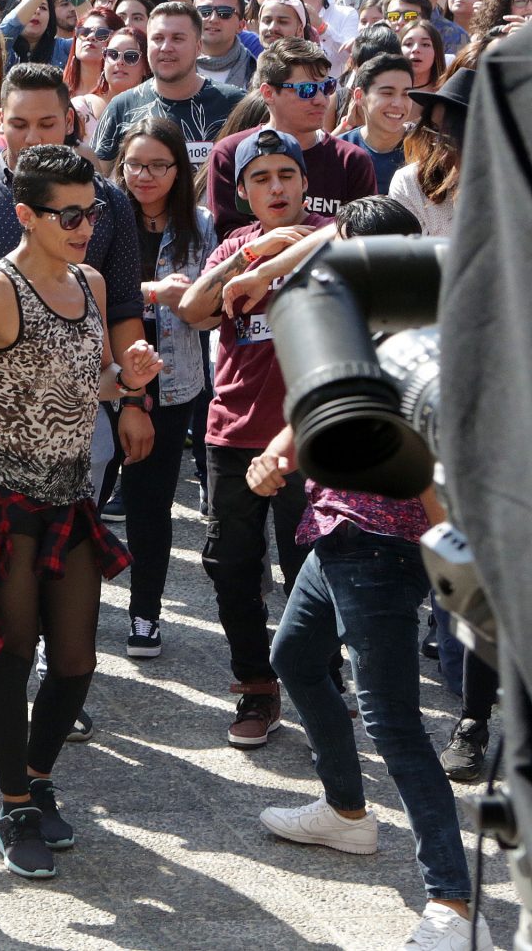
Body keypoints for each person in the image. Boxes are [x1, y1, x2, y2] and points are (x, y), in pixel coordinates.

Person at [233, 196, 496, 951]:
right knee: (293, 657)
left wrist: (460, 561)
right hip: (338, 533)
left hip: (380, 551)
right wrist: (276, 451)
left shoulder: (423, 352)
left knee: (394, 722)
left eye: (337, 250)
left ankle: (453, 902)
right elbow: (319, 399)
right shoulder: (363, 330)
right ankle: (348, 813)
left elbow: (438, 472)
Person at [0, 143, 159, 880]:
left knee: (77, 663)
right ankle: (15, 801)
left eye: (93, 210)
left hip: (69, 494)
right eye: (71, 213)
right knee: (12, 656)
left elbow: (85, 378)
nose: (87, 224)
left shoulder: (89, 281)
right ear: (26, 214)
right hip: (3, 496)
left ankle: (38, 773)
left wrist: (127, 380)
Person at [175, 126, 330, 748]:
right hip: (234, 434)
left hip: (312, 439)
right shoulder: (234, 246)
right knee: (233, 565)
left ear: (304, 182)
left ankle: (321, 681)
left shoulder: (331, 239)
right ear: (241, 191)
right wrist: (251, 254)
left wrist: (298, 246)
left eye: (285, 174)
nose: (275, 186)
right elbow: (191, 310)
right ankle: (256, 688)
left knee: (312, 568)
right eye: (259, 177)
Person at [108, 117, 216, 657]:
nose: (144, 176)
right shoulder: (103, 218)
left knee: (151, 506)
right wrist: (153, 292)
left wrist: (195, 297)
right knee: (86, 499)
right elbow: (84, 296)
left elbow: (214, 311)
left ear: (179, 169)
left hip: (174, 385)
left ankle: (145, 613)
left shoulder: (200, 223)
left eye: (158, 165)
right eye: (134, 165)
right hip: (102, 381)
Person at [205, 37, 379, 235]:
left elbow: (363, 239)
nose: (321, 100)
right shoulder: (230, 153)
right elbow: (226, 235)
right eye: (307, 90)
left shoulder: (352, 161)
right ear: (269, 93)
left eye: (327, 87)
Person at [92, 1, 246, 170]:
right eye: (158, 39)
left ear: (198, 47)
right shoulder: (122, 107)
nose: (166, 47)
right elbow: (96, 181)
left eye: (177, 38)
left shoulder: (235, 105)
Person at [391, 65, 469, 238]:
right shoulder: (410, 183)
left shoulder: (510, 184)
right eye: (433, 128)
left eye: (449, 132)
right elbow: (409, 257)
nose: (436, 140)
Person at [337, 50, 416, 192]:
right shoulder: (339, 153)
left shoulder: (427, 150)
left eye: (406, 94)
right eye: (387, 93)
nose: (398, 103)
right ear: (359, 96)